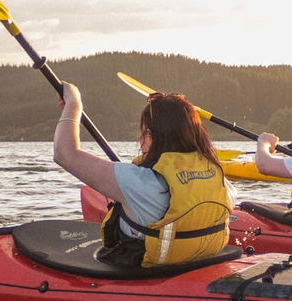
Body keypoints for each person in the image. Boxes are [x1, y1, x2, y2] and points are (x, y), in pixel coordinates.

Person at [53, 83, 232, 268]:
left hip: (144, 269)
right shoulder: (219, 177)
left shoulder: (139, 181)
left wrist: (74, 102)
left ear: (147, 136)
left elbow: (65, 154)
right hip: (199, 261)